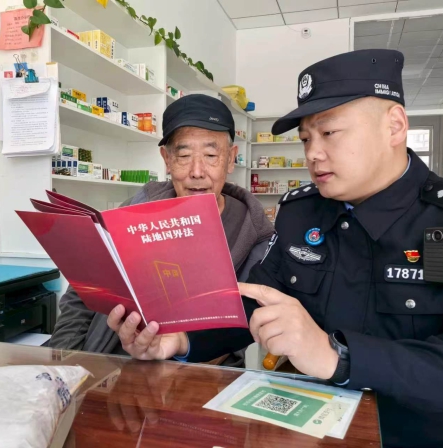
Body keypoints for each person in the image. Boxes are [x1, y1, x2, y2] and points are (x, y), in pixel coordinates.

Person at [107, 50, 443, 447]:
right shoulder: (301, 213)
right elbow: (253, 303)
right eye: (305, 138)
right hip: (313, 431)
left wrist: (337, 356)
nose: (313, 153)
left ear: (394, 126)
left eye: (329, 133)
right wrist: (180, 341)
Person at [49, 94, 274, 360]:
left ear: (230, 159)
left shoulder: (254, 233)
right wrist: (65, 358)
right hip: (106, 361)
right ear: (167, 160)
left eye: (211, 155)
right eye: (184, 155)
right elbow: (83, 292)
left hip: (195, 373)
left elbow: (241, 331)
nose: (197, 171)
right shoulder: (136, 210)